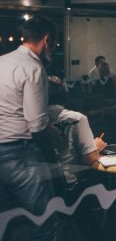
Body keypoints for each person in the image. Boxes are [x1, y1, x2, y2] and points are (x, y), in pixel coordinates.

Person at [0, 15, 63, 241]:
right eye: (54, 43)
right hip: (20, 153)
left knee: (6, 222)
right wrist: (55, 135)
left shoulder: (2, 61)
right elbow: (37, 124)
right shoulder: (33, 67)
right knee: (44, 222)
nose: (54, 48)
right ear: (46, 40)